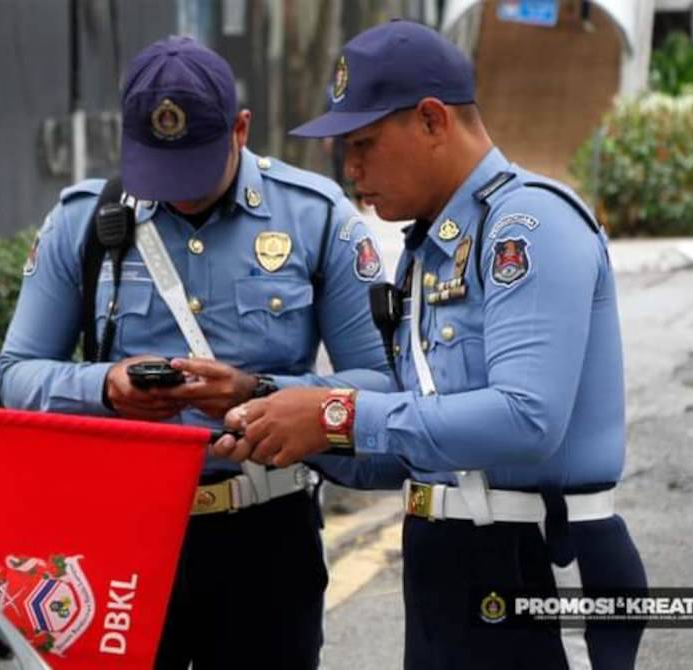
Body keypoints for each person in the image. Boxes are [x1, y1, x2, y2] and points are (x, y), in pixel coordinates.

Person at [215, 20, 647, 670]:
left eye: (363, 144)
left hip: (541, 557)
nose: (350, 169)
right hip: (450, 567)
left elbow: (526, 418)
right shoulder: (430, 249)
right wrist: (272, 407)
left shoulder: (526, 226)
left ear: (431, 121)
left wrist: (337, 416)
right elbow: (417, 441)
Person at [0, 36, 401, 669]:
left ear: (241, 129)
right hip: (119, 536)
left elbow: (381, 386)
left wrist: (258, 393)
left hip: (265, 535)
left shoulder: (316, 218)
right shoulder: (82, 220)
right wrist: (105, 385)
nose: (177, 194)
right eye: (159, 170)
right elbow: (16, 374)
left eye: (194, 169)